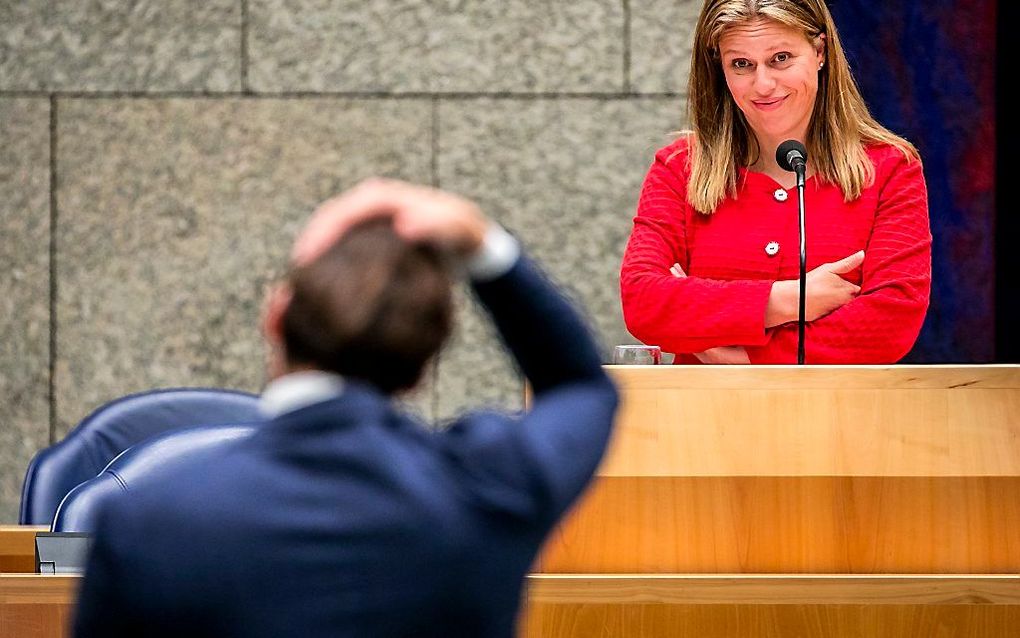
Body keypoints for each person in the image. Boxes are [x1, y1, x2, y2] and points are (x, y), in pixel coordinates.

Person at [73, 179, 619, 638]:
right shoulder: (489, 489)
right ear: (425, 360)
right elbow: (581, 389)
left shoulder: (149, 519)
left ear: (276, 317)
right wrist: (484, 248)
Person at [620, 0, 931, 364]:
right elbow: (643, 302)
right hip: (699, 418)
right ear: (719, 67)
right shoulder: (679, 167)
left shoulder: (891, 169)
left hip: (838, 419)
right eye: (741, 64)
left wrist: (742, 356)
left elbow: (889, 324)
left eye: (781, 58)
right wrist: (790, 299)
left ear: (820, 51)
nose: (763, 84)